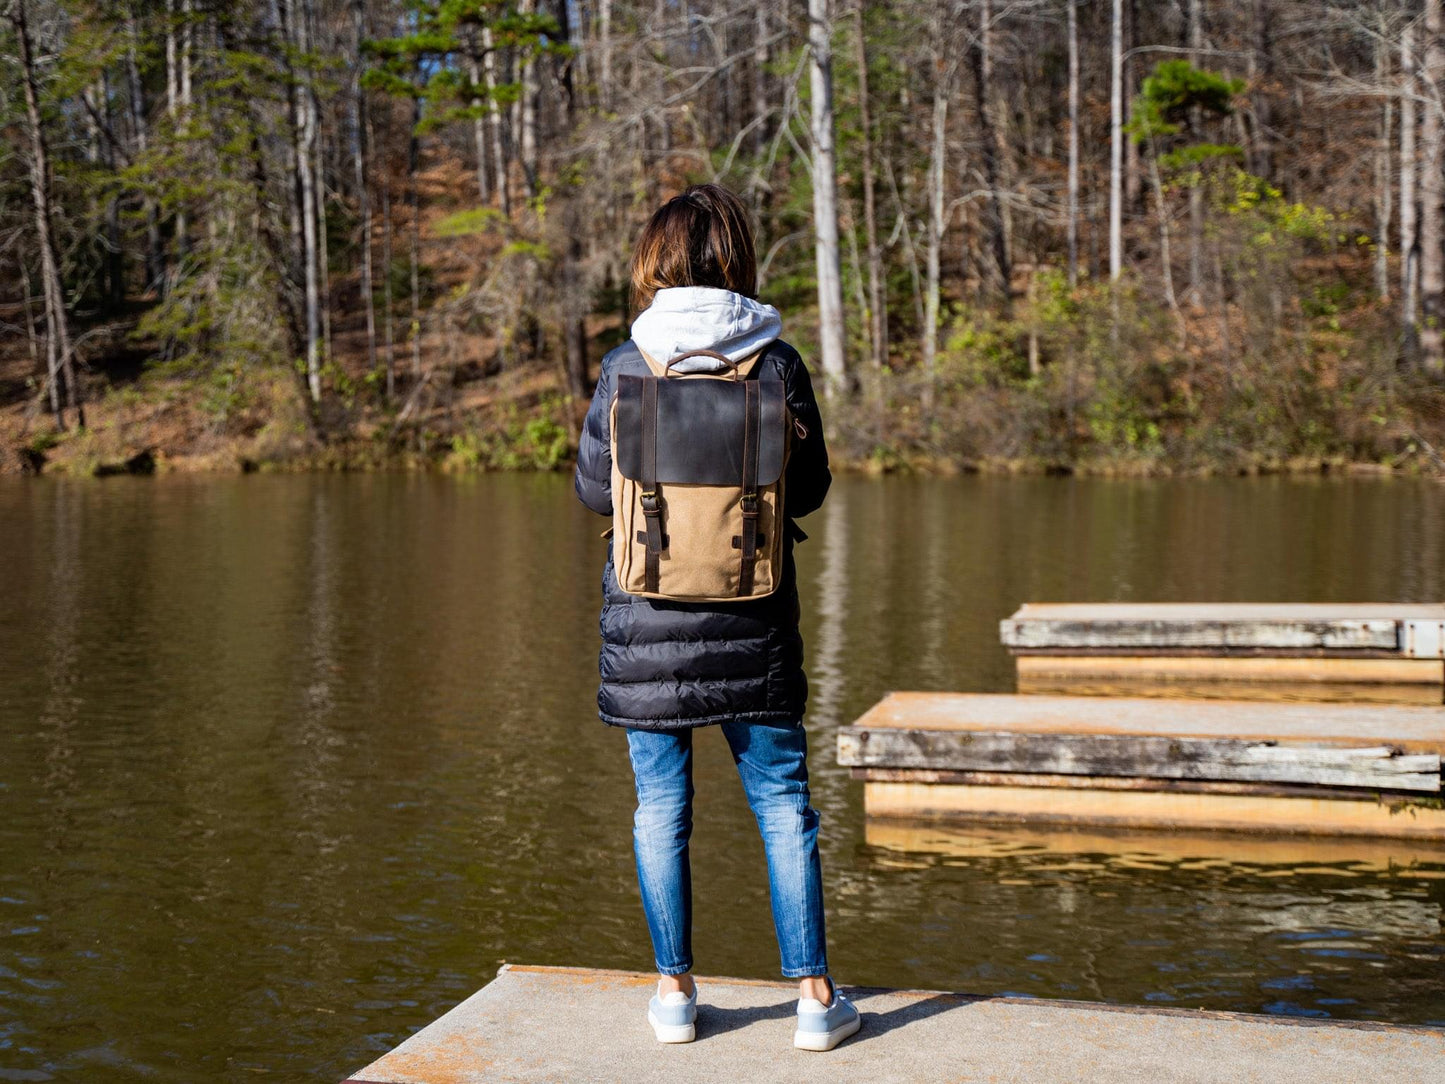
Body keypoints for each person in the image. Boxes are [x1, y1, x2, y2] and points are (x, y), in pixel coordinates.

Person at [573, 183, 860, 1052]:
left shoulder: (627, 362)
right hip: (756, 619)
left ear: (654, 262)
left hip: (645, 621)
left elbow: (592, 488)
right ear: (735, 260)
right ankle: (813, 1000)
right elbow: (808, 488)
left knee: (661, 808)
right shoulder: (776, 363)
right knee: (782, 806)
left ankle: (673, 995)